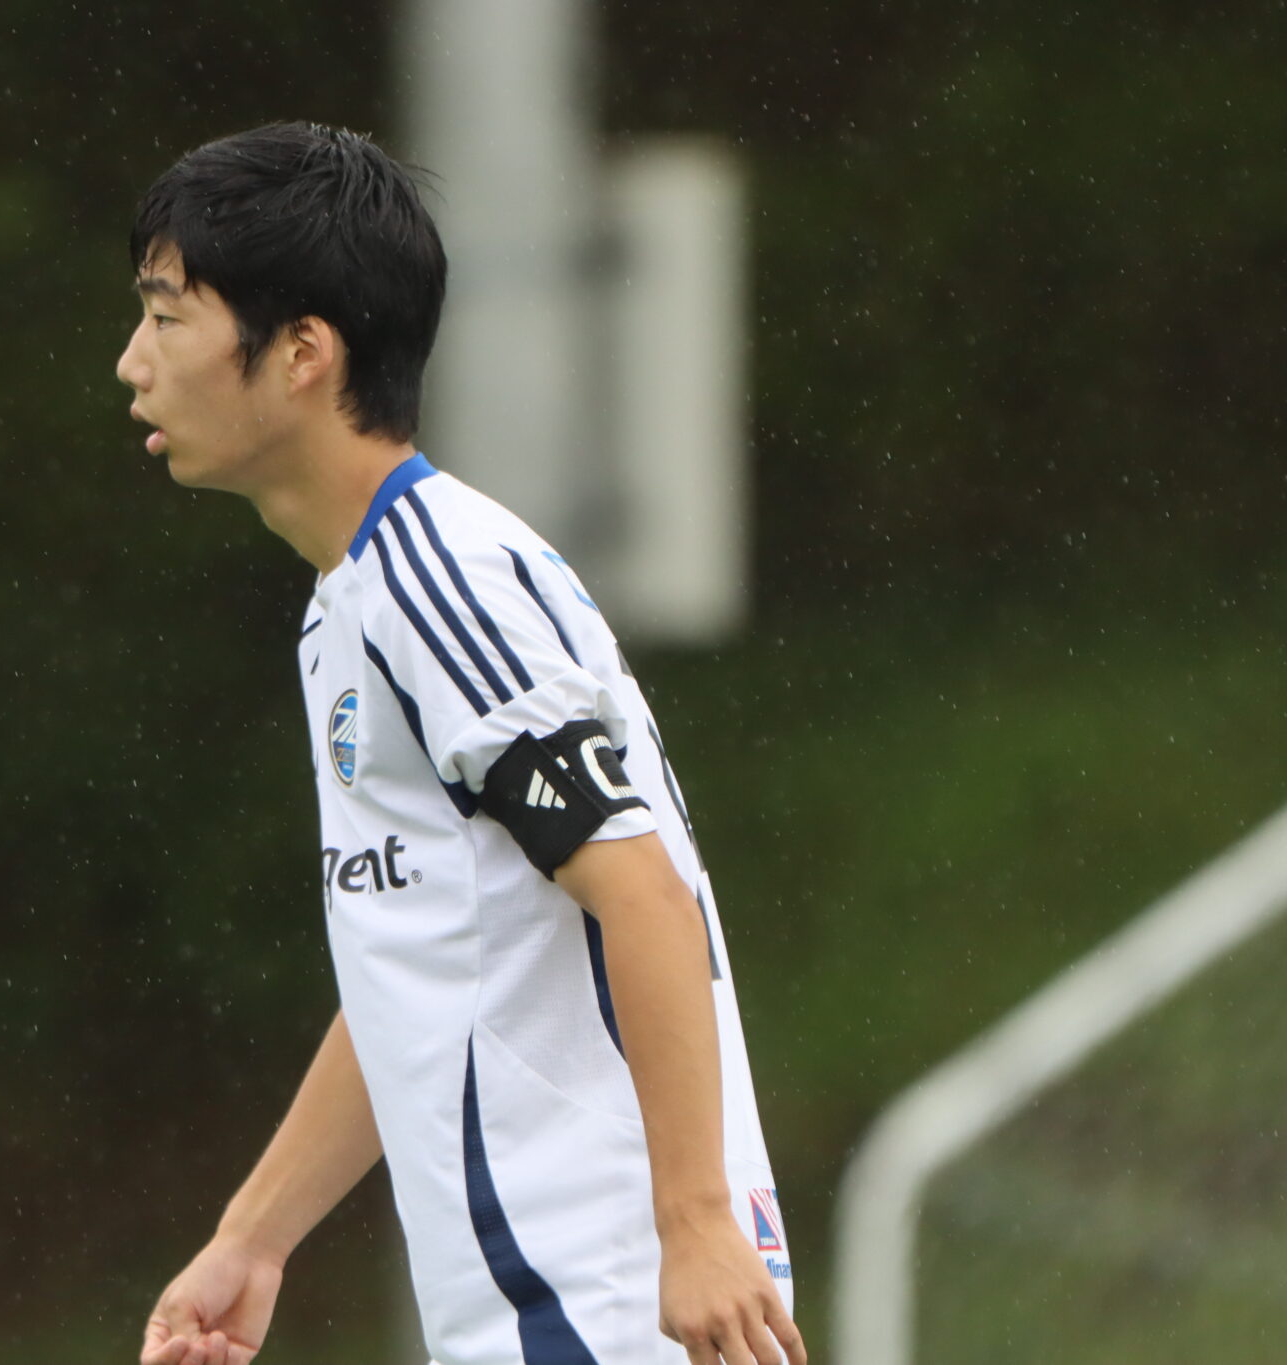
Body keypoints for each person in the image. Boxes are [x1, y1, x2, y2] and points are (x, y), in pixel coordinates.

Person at [116, 122, 804, 1365]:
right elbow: (428, 970)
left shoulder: (441, 583)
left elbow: (642, 895)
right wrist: (253, 1240)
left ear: (301, 354)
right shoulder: (352, 605)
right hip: (543, 1309)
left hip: (607, 1297)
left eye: (166, 318)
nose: (132, 360)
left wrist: (696, 1225)